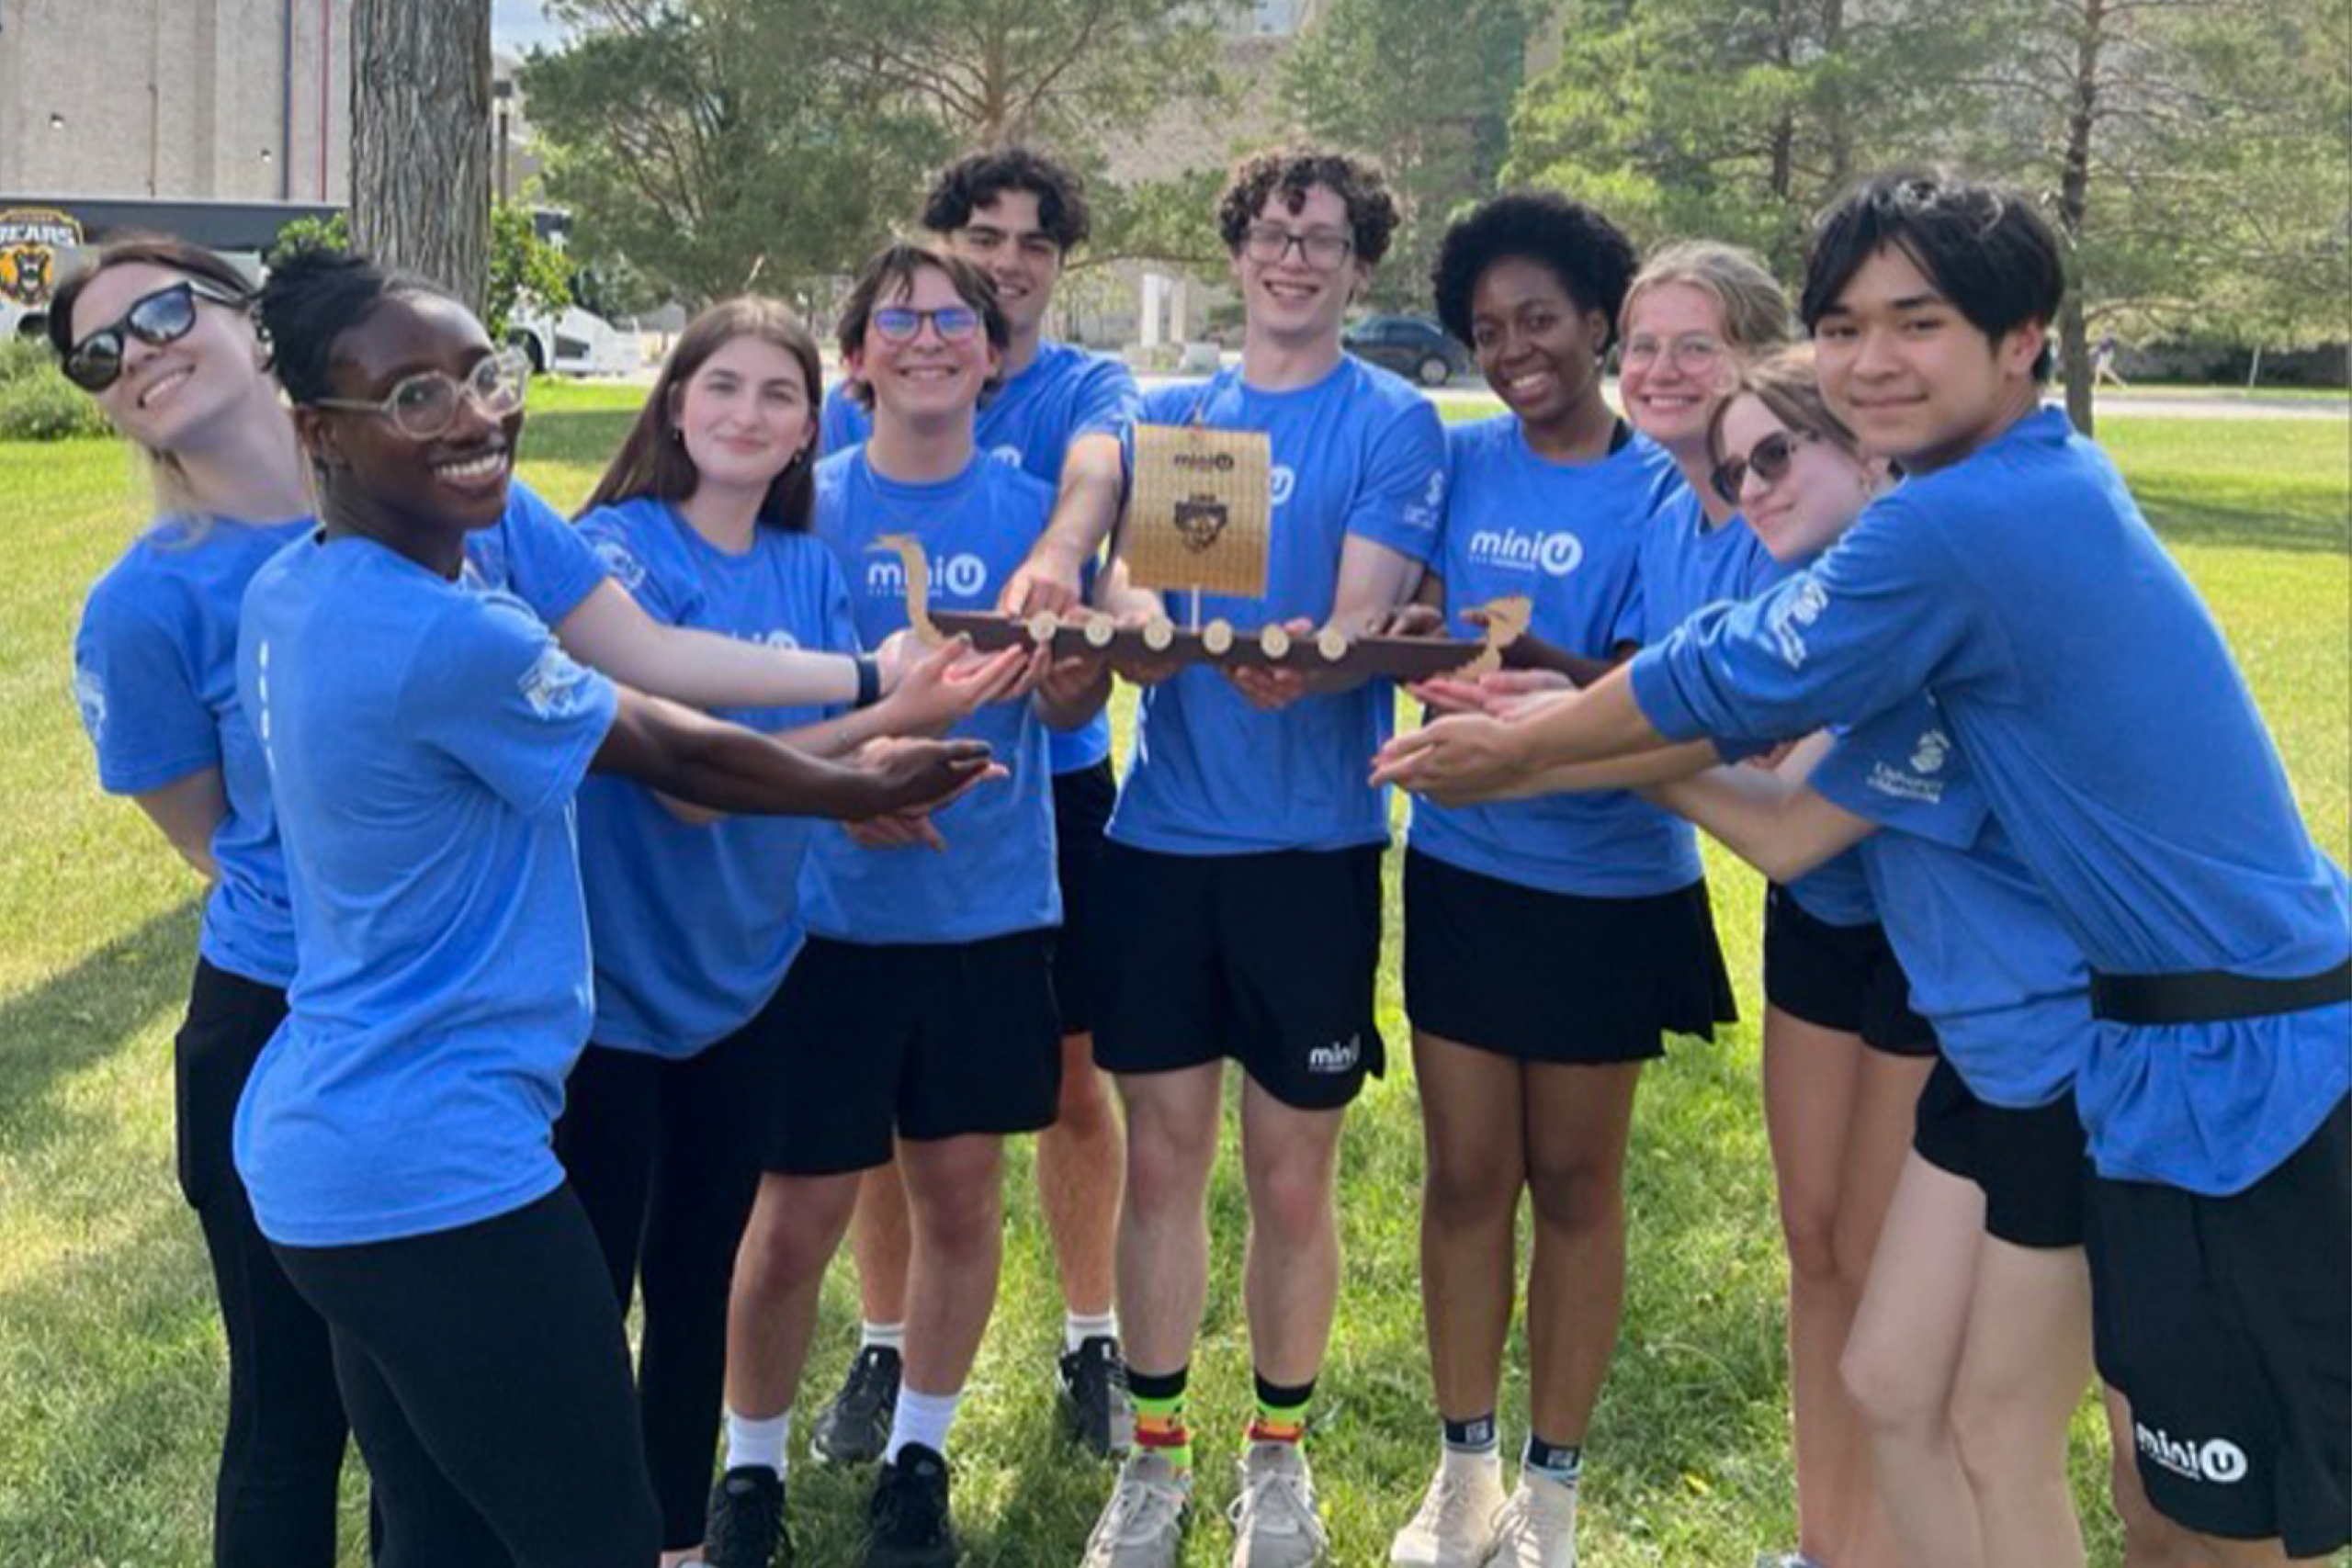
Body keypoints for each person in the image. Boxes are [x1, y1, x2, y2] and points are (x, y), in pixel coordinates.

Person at [1377, 168, 2350, 1567]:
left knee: (2200, 1515)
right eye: (1843, 326)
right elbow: (1770, 790)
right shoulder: (1999, 494)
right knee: (1911, 1391)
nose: (1872, 360)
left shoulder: (1959, 526)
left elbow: (1724, 677)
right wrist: (1540, 732)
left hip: (2235, 1055)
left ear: (2023, 339)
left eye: (1919, 323)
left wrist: (1525, 752)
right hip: (2095, 1050)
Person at [50, 234, 945, 1568]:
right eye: (417, 399)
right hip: (421, 1143)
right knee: (587, 1527)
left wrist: (847, 715)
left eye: (487, 374)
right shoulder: (430, 626)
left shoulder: (308, 577)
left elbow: (643, 680)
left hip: (338, 1116)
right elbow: (672, 747)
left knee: (443, 1519)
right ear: (325, 435)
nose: (475, 416)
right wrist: (855, 777)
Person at [557, 295, 1025, 1568]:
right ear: (674, 404)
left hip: (749, 982)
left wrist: (914, 743)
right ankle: (577, 1529)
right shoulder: (616, 554)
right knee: (591, 1296)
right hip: (609, 997)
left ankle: (674, 1539)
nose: (748, 416)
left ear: (810, 426)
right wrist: (873, 716)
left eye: (779, 396)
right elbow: (682, 784)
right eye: (724, 388)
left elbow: (836, 755)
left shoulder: (810, 568)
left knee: (699, 1278)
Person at [710, 243, 1109, 1568]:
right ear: (860, 357)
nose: (931, 337)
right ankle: (747, 1473)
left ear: (993, 357)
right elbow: (754, 689)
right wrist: (843, 784)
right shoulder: (799, 506)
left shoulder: (1037, 510)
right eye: (901, 320)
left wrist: (1063, 670)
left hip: (988, 913)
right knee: (793, 1220)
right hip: (821, 923)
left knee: (958, 1194)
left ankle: (919, 1459)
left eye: (957, 321)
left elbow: (1075, 706)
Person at [1080, 147, 1446, 1568]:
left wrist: (1315, 654)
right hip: (1165, 842)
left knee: (1294, 1179)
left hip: (1316, 850)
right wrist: (1135, 609)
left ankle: (1275, 1461)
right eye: (1275, 234)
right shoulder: (1179, 412)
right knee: (1160, 1166)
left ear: (1361, 268)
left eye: (1327, 239)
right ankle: (1154, 1463)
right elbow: (1133, 577)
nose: (1296, 257)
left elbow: (1357, 616)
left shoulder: (1394, 420)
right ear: (1238, 253)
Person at [1385, 192, 1736, 1568]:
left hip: (1608, 883)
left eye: (1541, 320)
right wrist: (1410, 639)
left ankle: (1557, 1496)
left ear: (1601, 318)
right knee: (1466, 1177)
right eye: (1487, 329)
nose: (1515, 349)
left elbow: (1667, 691)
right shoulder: (1463, 466)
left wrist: (1532, 680)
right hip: (1467, 864)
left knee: (1578, 1183)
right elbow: (1407, 616)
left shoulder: (1660, 478)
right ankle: (1463, 1474)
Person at [816, 145, 1143, 1463]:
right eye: (983, 235)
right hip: (876, 779)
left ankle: (1092, 1338)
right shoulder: (876, 384)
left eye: (1034, 244)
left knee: (1070, 1084)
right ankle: (885, 1350)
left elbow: (1101, 475)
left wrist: (1059, 554)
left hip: (1047, 789)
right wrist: (838, 774)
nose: (1008, 261)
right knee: (898, 1111)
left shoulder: (1082, 384)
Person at [1621, 241, 1920, 1568]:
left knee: (1881, 1266)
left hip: (1927, 938)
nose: (1663, 373)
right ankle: (1824, 1543)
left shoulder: (1843, 549)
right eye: (1642, 345)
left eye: (1697, 346)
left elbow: (1786, 795)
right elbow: (1679, 710)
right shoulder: (1682, 513)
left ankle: (1897, 1544)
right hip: (1820, 928)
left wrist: (1579, 749)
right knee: (1814, 1245)